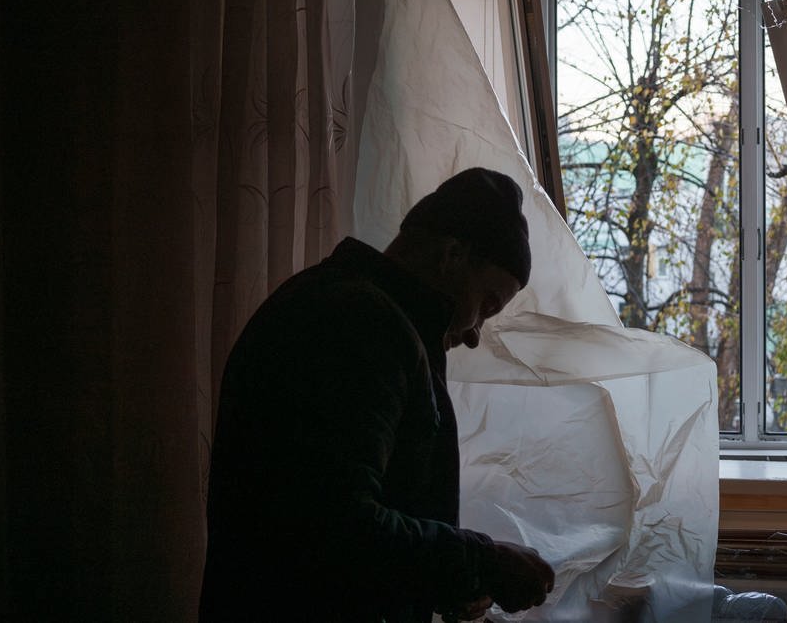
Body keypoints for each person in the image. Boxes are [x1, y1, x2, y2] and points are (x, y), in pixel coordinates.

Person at [200, 168, 555, 622]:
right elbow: (334, 528)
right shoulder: (359, 326)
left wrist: (445, 581)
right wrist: (481, 563)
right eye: (486, 306)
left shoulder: (330, 300)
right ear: (452, 255)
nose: (473, 335)